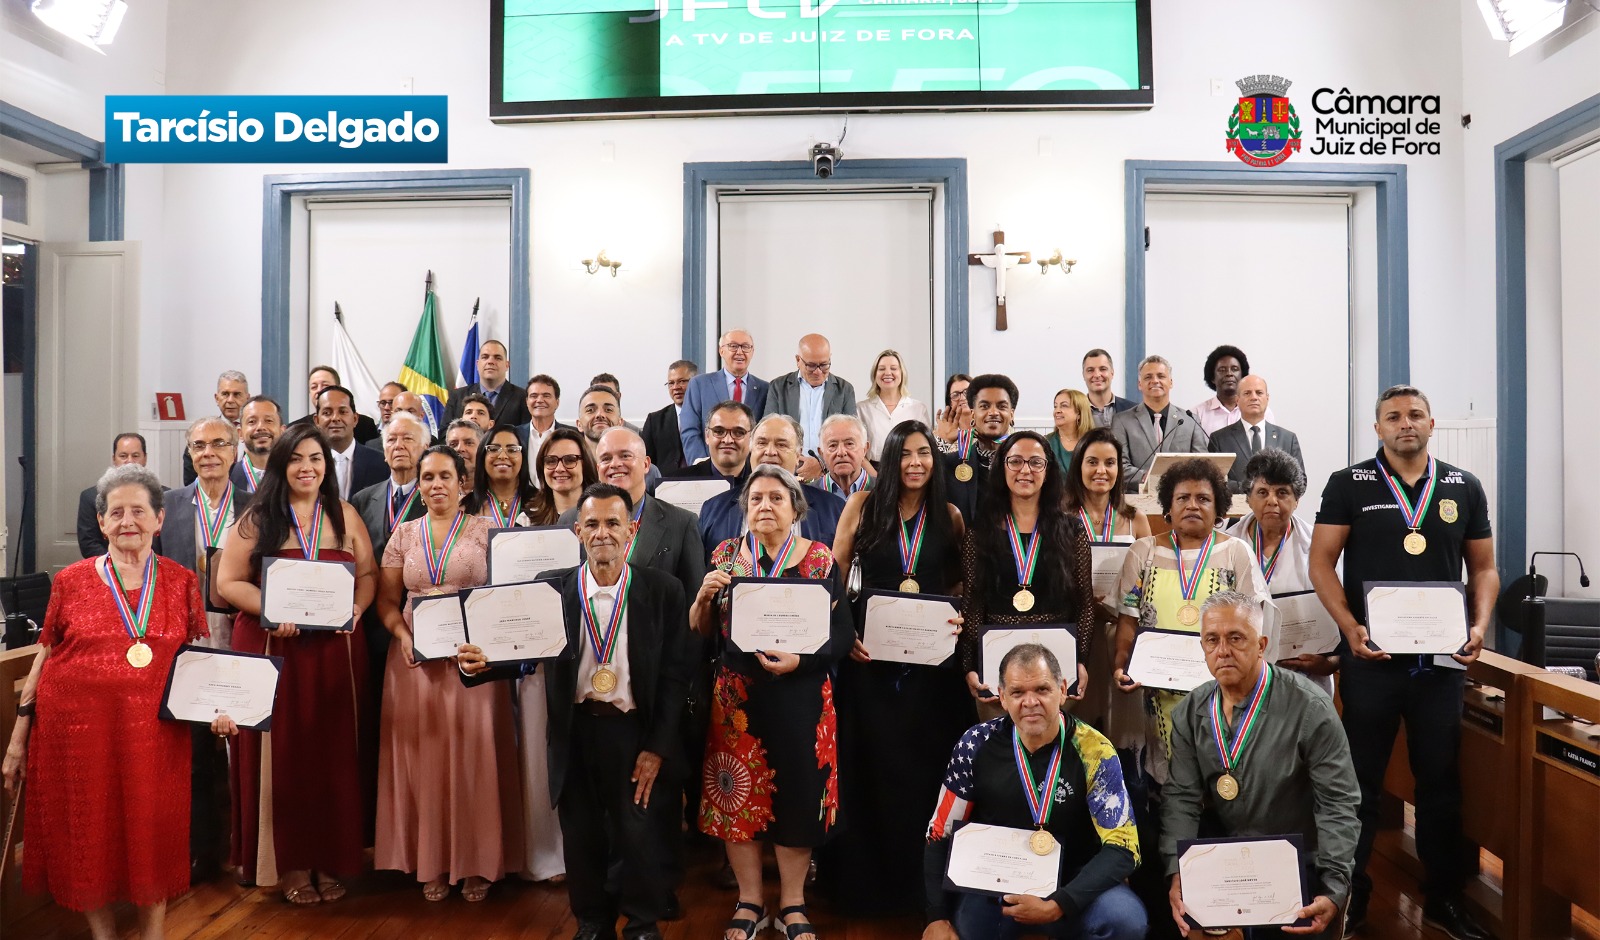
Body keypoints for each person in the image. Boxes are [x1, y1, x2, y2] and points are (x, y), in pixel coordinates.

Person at [461, 483, 698, 940]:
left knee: (638, 834)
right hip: (575, 729)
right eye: (592, 524)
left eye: (613, 523)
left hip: (634, 731)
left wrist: (657, 747)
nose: (603, 533)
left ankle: (644, 922)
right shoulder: (552, 589)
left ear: (631, 532)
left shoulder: (663, 590)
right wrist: (480, 664)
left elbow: (675, 677)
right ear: (577, 532)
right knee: (581, 833)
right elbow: (521, 653)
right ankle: (592, 921)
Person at [4, 464, 226, 940]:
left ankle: (153, 933)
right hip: (75, 736)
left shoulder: (183, 582)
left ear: (159, 519)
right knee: (88, 834)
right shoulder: (72, 581)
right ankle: (102, 934)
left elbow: (197, 663)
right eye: (116, 512)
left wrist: (219, 709)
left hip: (155, 738)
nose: (128, 521)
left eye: (139, 511)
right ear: (101, 522)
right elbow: (46, 656)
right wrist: (18, 737)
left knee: (154, 832)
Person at [1308, 385, 1497, 940]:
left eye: (1415, 415)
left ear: (1432, 424)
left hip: (1440, 664)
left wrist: (1480, 624)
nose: (1405, 423)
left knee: (1440, 783)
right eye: (1393, 416)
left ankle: (1444, 898)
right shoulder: (1350, 483)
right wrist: (1349, 627)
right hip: (1372, 660)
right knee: (1358, 784)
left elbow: (1484, 568)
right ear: (1378, 429)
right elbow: (1322, 563)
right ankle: (1350, 895)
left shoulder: (1463, 486)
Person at [214, 423, 378, 904]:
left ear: (327, 468)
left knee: (331, 757)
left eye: (317, 460)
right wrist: (272, 609)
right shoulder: (255, 519)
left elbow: (366, 575)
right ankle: (286, 863)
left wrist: (357, 608)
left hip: (334, 654)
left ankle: (329, 858)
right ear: (281, 464)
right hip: (274, 649)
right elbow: (228, 582)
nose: (307, 468)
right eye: (297, 459)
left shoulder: (344, 514)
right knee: (283, 758)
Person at [692, 465, 854, 940]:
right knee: (737, 797)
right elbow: (703, 632)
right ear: (744, 509)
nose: (765, 506)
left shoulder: (820, 560)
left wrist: (800, 661)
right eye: (756, 498)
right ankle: (749, 899)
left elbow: (842, 634)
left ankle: (793, 903)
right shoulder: (724, 556)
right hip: (737, 701)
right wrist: (703, 599)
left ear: (795, 508)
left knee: (799, 800)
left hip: (803, 698)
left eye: (776, 499)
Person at [1110, 457, 1267, 931]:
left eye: (1203, 498)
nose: (1193, 505)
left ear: (1219, 505)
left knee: (1224, 802)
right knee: (1165, 803)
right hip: (1157, 700)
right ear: (1167, 505)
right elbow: (1128, 623)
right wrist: (1122, 665)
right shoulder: (1143, 551)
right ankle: (1166, 916)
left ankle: (1223, 914)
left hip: (1226, 701)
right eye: (1183, 498)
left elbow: (1255, 621)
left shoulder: (1236, 552)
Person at [828, 419, 971, 914]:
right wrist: (846, 634)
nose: (916, 462)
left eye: (925, 453)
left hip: (932, 673)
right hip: (872, 664)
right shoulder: (863, 506)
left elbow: (958, 586)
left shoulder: (949, 515)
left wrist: (957, 618)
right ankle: (868, 890)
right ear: (890, 459)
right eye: (906, 453)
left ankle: (923, 892)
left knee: (926, 773)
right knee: (871, 770)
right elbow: (835, 575)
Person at [1161, 592, 1359, 939]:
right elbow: (1181, 798)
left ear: (1261, 644)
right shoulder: (1190, 712)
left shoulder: (1310, 709)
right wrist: (1177, 871)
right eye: (1212, 640)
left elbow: (1338, 805)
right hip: (1223, 865)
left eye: (1236, 638)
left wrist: (1335, 886)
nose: (1223, 650)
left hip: (1299, 865)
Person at [373, 446, 523, 902]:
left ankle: (477, 861)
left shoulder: (488, 531)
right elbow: (385, 600)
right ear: (417, 485)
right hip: (414, 661)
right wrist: (400, 634)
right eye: (427, 477)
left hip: (471, 659)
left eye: (444, 476)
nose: (435, 485)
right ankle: (430, 859)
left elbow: (509, 595)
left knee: (474, 755)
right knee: (424, 758)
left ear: (464, 484)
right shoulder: (403, 534)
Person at [922, 644, 1145, 940]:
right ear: (1001, 697)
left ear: (1062, 690)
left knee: (1125, 921)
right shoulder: (975, 744)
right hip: (997, 882)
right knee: (970, 929)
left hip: (1074, 880)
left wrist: (1060, 903)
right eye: (1017, 693)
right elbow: (939, 833)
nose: (1030, 702)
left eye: (1042, 689)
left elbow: (1124, 847)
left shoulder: (1095, 750)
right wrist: (936, 916)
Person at [958, 431, 1097, 707]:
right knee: (1004, 746)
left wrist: (1080, 659)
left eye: (1035, 462)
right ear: (1002, 468)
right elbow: (973, 602)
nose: (1025, 470)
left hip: (1055, 663)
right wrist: (970, 665)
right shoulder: (979, 531)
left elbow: (1084, 602)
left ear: (1048, 471)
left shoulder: (1072, 530)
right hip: (998, 662)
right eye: (1016, 462)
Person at [160, 417, 241, 879]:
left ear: (235, 451)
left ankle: (242, 848)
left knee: (239, 747)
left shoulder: (253, 505)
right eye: (198, 445)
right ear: (189, 453)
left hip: (239, 635)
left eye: (217, 444)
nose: (208, 453)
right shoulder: (168, 505)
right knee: (192, 752)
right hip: (184, 641)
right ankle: (198, 850)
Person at [1062, 428, 1152, 734]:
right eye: (1092, 462)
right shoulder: (1060, 516)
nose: (1102, 470)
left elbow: (1148, 576)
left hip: (1121, 629)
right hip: (1078, 629)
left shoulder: (1135, 517)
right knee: (1082, 715)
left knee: (1121, 718)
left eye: (1110, 463)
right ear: (1079, 467)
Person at [1223, 448, 1335, 690]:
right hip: (1242, 670)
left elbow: (1341, 603)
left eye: (1282, 493)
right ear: (1248, 498)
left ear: (1296, 501)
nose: (1272, 501)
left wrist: (1331, 660)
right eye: (1262, 492)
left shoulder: (1319, 543)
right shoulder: (1226, 544)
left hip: (1305, 674)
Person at [698, 414, 847, 557]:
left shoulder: (834, 509)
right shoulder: (713, 510)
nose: (769, 452)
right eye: (761, 443)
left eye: (781, 444)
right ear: (751, 450)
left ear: (798, 455)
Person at [762, 333, 859, 483]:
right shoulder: (779, 387)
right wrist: (794, 462)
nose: (818, 371)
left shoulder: (844, 390)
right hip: (787, 473)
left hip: (830, 475)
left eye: (824, 365)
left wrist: (821, 464)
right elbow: (769, 433)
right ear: (798, 360)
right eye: (811, 365)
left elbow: (852, 439)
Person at [1111, 356, 1210, 489]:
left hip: (1181, 497)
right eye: (1148, 377)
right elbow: (1118, 465)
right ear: (1139, 384)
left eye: (1161, 376)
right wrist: (1148, 477)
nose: (1155, 381)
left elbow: (1202, 463)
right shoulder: (1122, 421)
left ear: (1171, 382)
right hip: (1138, 499)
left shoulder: (1190, 420)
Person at [351, 412, 431, 560]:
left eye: (407, 438)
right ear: (384, 452)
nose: (398, 446)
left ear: (425, 449)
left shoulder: (434, 497)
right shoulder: (362, 500)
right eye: (391, 440)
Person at [681, 329, 769, 464]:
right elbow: (690, 430)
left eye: (745, 347)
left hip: (750, 471)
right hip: (710, 469)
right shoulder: (699, 384)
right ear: (721, 351)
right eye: (733, 346)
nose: (739, 352)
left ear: (752, 352)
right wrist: (702, 465)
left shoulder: (765, 389)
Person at [942, 373, 1018, 525]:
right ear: (972, 414)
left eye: (1001, 406)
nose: (993, 412)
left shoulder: (1028, 462)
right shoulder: (952, 463)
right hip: (967, 547)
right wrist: (944, 440)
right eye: (984, 406)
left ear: (1011, 414)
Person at [1209, 375, 1303, 494]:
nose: (1254, 397)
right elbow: (1215, 481)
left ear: (1267, 398)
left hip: (1276, 508)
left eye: (1259, 393)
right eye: (1247, 393)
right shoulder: (1219, 439)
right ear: (1237, 400)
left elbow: (1301, 480)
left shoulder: (1288, 439)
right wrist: (1251, 488)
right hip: (1235, 510)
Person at [77, 432, 151, 558]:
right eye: (123, 456)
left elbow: (168, 543)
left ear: (145, 459)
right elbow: (89, 544)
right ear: (114, 459)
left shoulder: (165, 496)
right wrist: (121, 565)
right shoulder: (90, 498)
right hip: (107, 571)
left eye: (135, 456)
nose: (129, 461)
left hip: (154, 570)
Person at [315, 384, 388, 499]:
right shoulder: (308, 465)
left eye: (343, 412)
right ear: (317, 421)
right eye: (327, 413)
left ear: (355, 419)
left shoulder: (381, 464)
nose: (335, 418)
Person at [857, 349, 930, 462]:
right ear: (874, 374)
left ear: (902, 373)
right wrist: (876, 477)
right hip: (874, 470)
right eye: (881, 369)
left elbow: (926, 448)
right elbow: (857, 450)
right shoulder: (861, 409)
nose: (887, 373)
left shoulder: (918, 408)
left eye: (893, 368)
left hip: (908, 468)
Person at [182, 371, 251, 485]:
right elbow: (190, 483)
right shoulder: (199, 435)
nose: (230, 400)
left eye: (237, 394)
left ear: (247, 398)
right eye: (225, 394)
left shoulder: (254, 436)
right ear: (216, 398)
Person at [663, 400, 753, 488]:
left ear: (751, 438)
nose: (728, 440)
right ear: (707, 436)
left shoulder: (764, 481)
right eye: (719, 431)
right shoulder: (675, 484)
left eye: (738, 433)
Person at [445, 339, 531, 427]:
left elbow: (525, 435)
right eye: (485, 357)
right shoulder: (457, 396)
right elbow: (444, 434)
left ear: (507, 365)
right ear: (477, 364)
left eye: (497, 358)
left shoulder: (523, 398)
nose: (490, 362)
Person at [470, 423, 541, 528]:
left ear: (523, 457)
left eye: (512, 450)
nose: (503, 456)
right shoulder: (464, 507)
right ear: (482, 456)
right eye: (493, 449)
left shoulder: (541, 502)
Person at [1192, 345, 1271, 436]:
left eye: (1234, 369)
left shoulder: (1262, 411)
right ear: (1212, 377)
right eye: (1222, 370)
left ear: (1242, 376)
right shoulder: (1197, 414)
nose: (1229, 373)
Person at [528, 428, 601, 525]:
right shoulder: (527, 520)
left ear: (585, 465)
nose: (559, 468)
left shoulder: (605, 515)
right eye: (551, 461)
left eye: (570, 460)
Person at [291, 365, 380, 444]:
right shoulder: (295, 429)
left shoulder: (365, 425)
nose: (319, 390)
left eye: (325, 385)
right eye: (314, 387)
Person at [644, 359, 698, 473]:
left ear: (696, 382)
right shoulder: (655, 421)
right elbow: (646, 462)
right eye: (671, 383)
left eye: (682, 381)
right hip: (665, 485)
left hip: (703, 481)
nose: (675, 387)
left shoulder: (710, 417)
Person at [231, 395, 283, 497]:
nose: (261, 427)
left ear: (282, 431)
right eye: (252, 422)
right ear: (240, 433)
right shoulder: (227, 478)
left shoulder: (294, 476)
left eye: (268, 421)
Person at [815, 414, 875, 497]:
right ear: (822, 453)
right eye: (833, 445)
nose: (841, 452)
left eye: (849, 444)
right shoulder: (806, 496)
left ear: (865, 449)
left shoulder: (886, 491)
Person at [516, 373, 574, 455]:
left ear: (557, 403)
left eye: (546, 396)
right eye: (534, 396)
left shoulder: (572, 435)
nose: (539, 400)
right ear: (527, 402)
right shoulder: (514, 434)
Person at [1083, 349, 1138, 428]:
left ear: (1112, 373)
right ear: (1083, 375)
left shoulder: (1134, 410)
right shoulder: (1074, 412)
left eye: (1103, 369)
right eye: (1090, 370)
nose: (1097, 375)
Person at [1046, 388, 1095, 473]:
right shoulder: (1046, 442)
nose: (1057, 411)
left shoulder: (1094, 442)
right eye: (1055, 406)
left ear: (1079, 413)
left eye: (1064, 406)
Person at [933, 373, 973, 447]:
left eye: (967, 392)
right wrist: (944, 441)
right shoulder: (941, 431)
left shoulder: (986, 427)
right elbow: (936, 457)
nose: (962, 398)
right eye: (955, 395)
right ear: (950, 402)